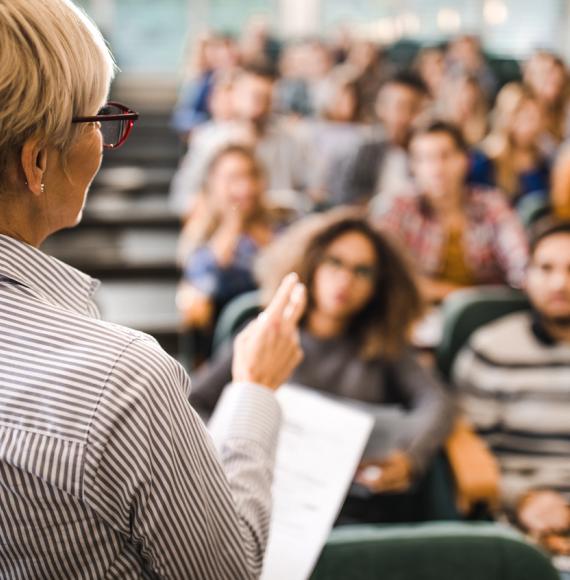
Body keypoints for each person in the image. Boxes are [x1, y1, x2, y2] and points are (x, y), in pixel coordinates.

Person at [0, 1, 306, 578]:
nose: (104, 140)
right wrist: (255, 390)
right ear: (37, 161)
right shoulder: (120, 381)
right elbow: (229, 569)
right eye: (97, 121)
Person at [191, 209, 453, 523]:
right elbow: (193, 404)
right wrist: (232, 444)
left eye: (362, 271)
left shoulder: (384, 345)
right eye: (335, 262)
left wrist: (411, 458)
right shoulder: (266, 333)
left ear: (378, 286)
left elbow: (436, 402)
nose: (345, 280)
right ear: (312, 262)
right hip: (261, 499)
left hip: (350, 509)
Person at [453, 219, 570, 555]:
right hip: (523, 514)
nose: (559, 283)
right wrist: (523, 498)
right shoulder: (492, 350)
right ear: (526, 276)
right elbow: (470, 453)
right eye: (545, 268)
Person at [374, 121, 529, 304]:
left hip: (488, 312)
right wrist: (462, 296)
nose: (436, 168)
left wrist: (527, 281)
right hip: (417, 311)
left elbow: (519, 258)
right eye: (425, 158)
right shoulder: (397, 206)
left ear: (465, 160)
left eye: (445, 156)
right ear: (413, 166)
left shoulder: (491, 203)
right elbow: (385, 273)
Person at [169, 64, 312, 217]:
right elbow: (182, 197)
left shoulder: (290, 140)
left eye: (265, 97)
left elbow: (306, 192)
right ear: (234, 96)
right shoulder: (209, 140)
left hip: (276, 226)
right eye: (251, 95)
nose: (258, 104)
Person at [176, 144, 285, 330]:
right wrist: (233, 223)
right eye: (234, 178)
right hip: (228, 334)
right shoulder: (201, 233)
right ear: (213, 183)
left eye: (252, 175)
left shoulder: (282, 221)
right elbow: (202, 283)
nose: (246, 186)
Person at [338, 72, 429, 205]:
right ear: (381, 107)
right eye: (398, 106)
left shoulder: (427, 152)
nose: (403, 116)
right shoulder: (366, 150)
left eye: (412, 108)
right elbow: (350, 198)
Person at [473, 83, 550, 205]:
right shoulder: (484, 160)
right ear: (507, 118)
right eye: (525, 118)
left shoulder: (543, 159)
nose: (532, 126)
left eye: (536, 118)